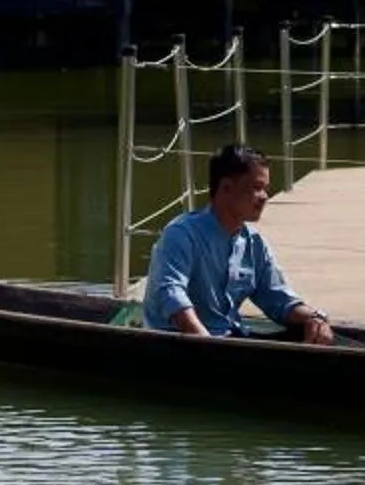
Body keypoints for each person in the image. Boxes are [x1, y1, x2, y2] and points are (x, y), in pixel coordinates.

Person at [143, 143, 336, 344]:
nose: (265, 197)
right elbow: (171, 294)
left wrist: (316, 318)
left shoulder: (254, 244)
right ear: (226, 187)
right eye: (256, 188)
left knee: (314, 333)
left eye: (266, 189)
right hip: (179, 343)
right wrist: (206, 344)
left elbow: (279, 300)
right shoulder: (181, 234)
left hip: (229, 340)